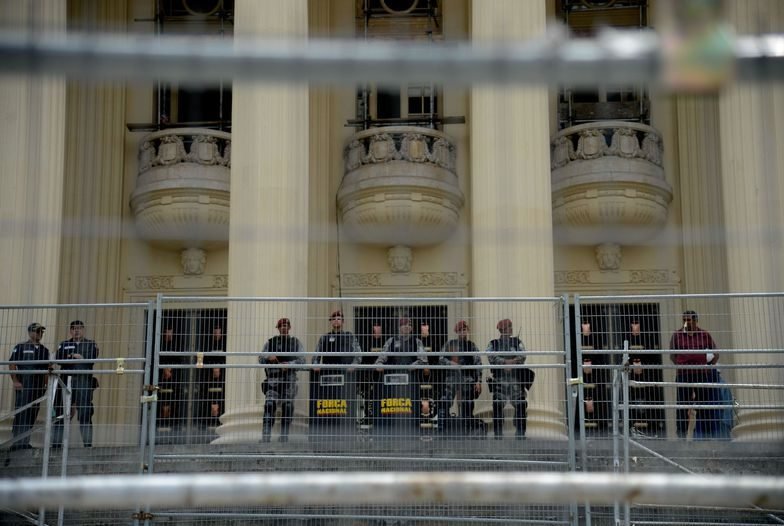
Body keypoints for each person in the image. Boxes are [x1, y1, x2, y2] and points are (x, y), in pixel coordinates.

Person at [311, 310, 361, 438]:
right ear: (331, 322)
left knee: (344, 407)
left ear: (343, 321)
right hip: (327, 380)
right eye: (334, 319)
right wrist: (316, 365)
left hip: (346, 380)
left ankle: (347, 435)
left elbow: (358, 355)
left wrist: (353, 365)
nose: (336, 320)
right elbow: (316, 356)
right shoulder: (324, 338)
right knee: (329, 408)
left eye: (339, 318)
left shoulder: (350, 336)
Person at [669, 310, 718, 438]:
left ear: (696, 320)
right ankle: (681, 437)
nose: (685, 323)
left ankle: (707, 437)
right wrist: (681, 365)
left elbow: (716, 353)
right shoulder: (677, 335)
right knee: (682, 406)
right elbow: (672, 355)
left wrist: (708, 366)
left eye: (688, 320)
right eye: (684, 320)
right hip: (684, 375)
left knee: (704, 406)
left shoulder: (704, 334)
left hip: (701, 374)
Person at [374, 318, 427, 436]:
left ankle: (412, 435)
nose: (406, 327)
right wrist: (379, 365)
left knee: (410, 410)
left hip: (411, 383)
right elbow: (380, 358)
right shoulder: (391, 341)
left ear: (412, 328)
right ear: (399, 328)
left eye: (409, 325)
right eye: (403, 325)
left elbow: (423, 360)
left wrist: (411, 366)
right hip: (391, 384)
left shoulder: (417, 342)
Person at [53, 320, 99, 448]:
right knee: (60, 413)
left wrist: (78, 358)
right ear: (70, 331)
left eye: (79, 328)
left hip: (83, 382)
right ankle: (56, 445)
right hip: (65, 382)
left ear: (83, 330)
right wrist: (75, 356)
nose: (76, 331)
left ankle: (87, 445)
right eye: (74, 328)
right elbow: (59, 358)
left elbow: (92, 359)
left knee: (85, 414)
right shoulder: (64, 344)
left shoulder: (90, 344)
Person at [260, 318, 305, 443]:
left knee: (288, 406)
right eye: (281, 326)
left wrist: (289, 364)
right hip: (273, 381)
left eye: (286, 325)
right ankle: (265, 437)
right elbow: (260, 358)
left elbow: (302, 360)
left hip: (289, 381)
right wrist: (269, 357)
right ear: (278, 328)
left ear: (289, 327)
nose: (284, 328)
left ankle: (284, 436)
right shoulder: (271, 342)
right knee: (269, 405)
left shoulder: (295, 342)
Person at [9, 323, 51, 450]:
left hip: (38, 386)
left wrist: (45, 385)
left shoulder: (44, 350)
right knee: (22, 412)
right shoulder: (21, 347)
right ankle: (16, 443)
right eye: (37, 331)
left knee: (33, 413)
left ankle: (25, 442)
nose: (39, 334)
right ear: (30, 332)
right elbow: (12, 364)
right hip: (25, 384)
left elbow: (47, 368)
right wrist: (15, 381)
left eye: (41, 332)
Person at [487, 319, 530, 440]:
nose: (511, 329)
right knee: (496, 405)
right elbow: (490, 356)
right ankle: (498, 435)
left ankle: (520, 434)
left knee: (521, 404)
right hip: (500, 382)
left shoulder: (517, 342)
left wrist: (512, 362)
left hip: (516, 381)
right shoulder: (493, 344)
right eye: (509, 327)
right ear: (503, 329)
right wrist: (504, 362)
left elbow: (523, 355)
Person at [438, 320, 482, 437]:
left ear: (467, 330)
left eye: (465, 329)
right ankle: (442, 432)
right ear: (457, 331)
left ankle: (466, 431)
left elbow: (478, 364)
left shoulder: (472, 346)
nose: (463, 332)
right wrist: (451, 363)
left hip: (467, 380)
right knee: (444, 402)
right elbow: (441, 358)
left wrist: (478, 381)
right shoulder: (450, 344)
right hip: (452, 379)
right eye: (460, 330)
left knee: (467, 404)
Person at [157, 326, 184, 435]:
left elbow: (180, 360)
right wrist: (164, 369)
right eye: (167, 332)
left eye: (171, 332)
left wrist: (170, 369)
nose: (169, 335)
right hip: (162, 382)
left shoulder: (176, 346)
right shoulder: (160, 345)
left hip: (174, 382)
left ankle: (174, 427)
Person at [199, 323, 226, 429]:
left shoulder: (224, 344)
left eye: (218, 331)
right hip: (209, 379)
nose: (217, 334)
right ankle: (207, 422)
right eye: (215, 331)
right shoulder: (208, 345)